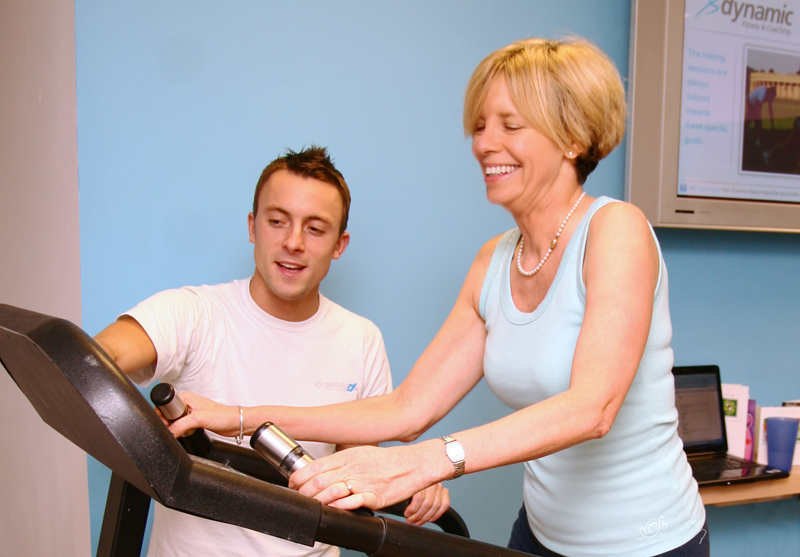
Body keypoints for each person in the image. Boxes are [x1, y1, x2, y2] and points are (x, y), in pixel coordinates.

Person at [170, 39, 708, 556]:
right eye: (479, 126)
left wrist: (430, 462)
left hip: (649, 542)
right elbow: (407, 410)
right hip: (542, 535)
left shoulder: (616, 230)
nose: (484, 143)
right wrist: (237, 416)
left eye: (510, 125)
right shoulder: (493, 262)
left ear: (572, 137)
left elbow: (593, 407)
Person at [94, 146, 449, 557]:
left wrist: (415, 479)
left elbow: (356, 474)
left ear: (339, 244)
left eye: (315, 229)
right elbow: (101, 357)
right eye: (277, 222)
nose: (293, 242)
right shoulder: (193, 313)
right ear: (253, 227)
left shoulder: (361, 339)